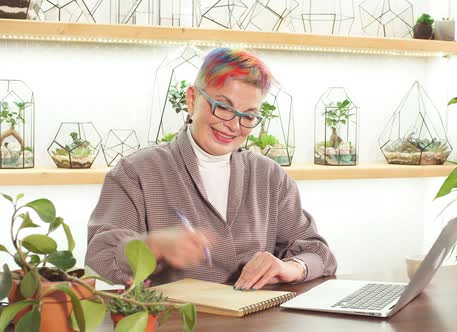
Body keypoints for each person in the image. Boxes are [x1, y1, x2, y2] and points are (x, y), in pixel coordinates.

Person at [86, 48, 337, 290]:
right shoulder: (137, 172)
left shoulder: (269, 176)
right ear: (192, 99)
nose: (233, 125)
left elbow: (318, 253)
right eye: (224, 107)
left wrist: (291, 267)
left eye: (248, 116)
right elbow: (100, 257)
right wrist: (153, 247)